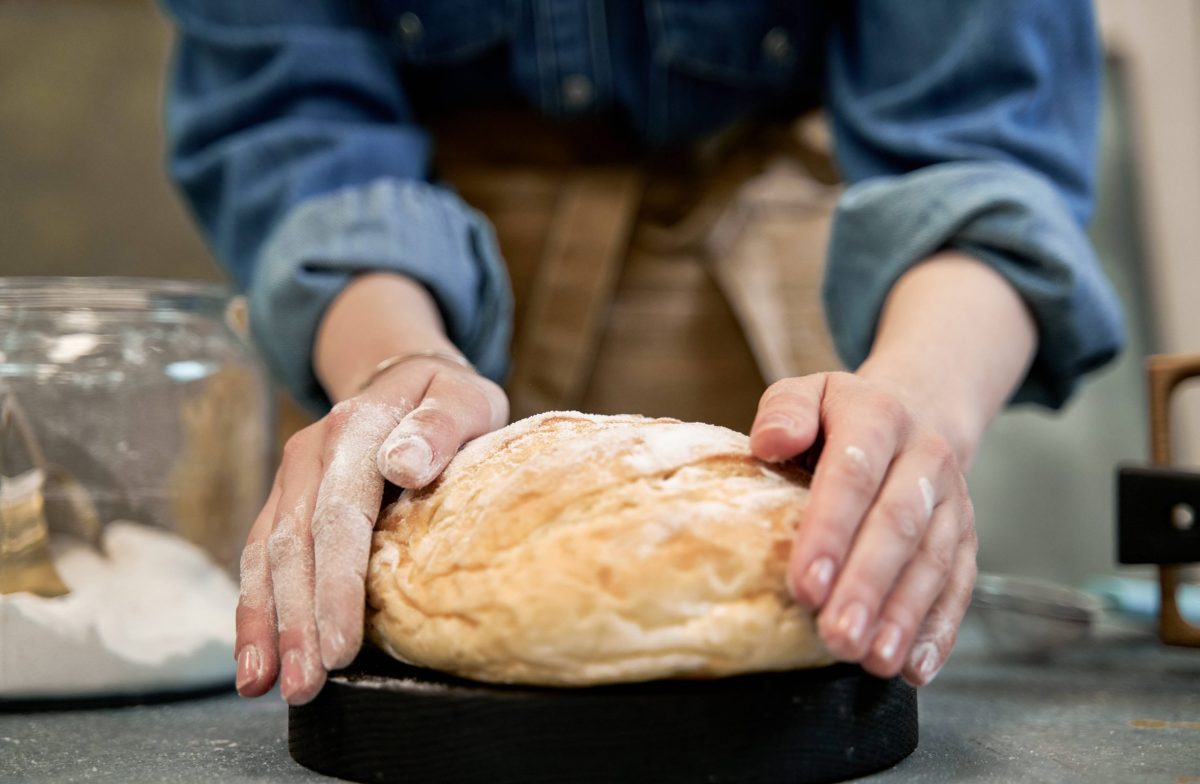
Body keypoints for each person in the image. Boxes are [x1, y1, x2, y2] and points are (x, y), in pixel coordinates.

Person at [162, 0, 1124, 705]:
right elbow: (291, 120)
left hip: (799, 295)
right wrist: (392, 367)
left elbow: (979, 137)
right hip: (406, 294)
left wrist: (917, 402)